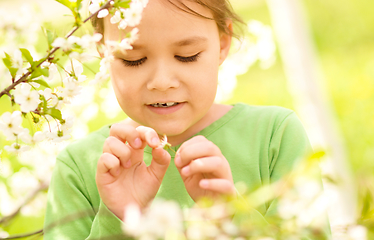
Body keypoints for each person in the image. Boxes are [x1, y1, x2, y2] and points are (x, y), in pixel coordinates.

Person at [43, 0, 316, 239]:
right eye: (134, 59)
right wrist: (118, 219)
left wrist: (233, 218)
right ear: (103, 51)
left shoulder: (274, 137)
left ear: (222, 43)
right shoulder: (81, 168)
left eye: (187, 56)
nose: (162, 82)